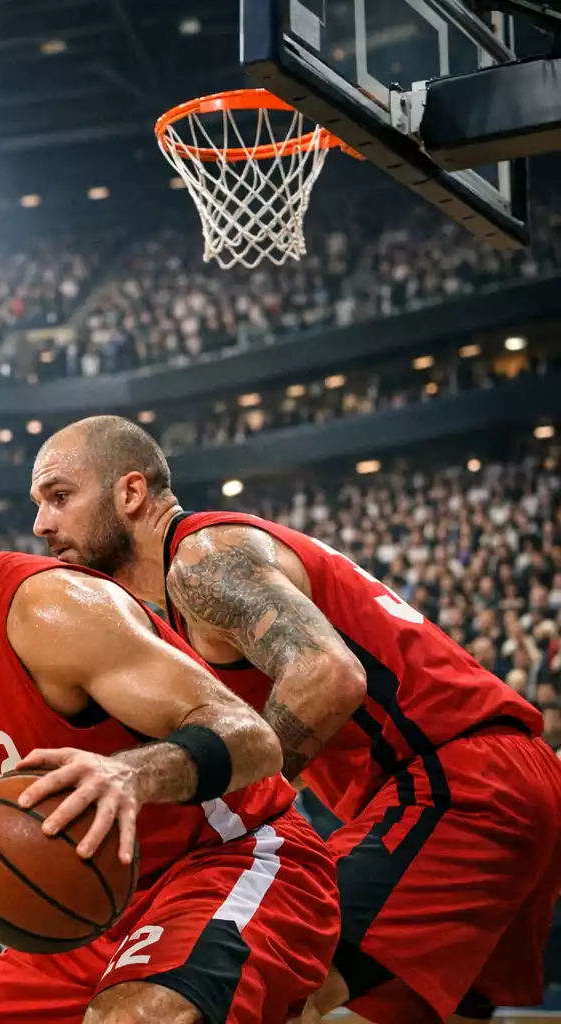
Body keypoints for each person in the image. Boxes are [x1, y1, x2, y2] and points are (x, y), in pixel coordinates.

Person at [33, 415, 561, 1024]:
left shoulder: (202, 557)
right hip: (497, 777)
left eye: (60, 497)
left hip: (454, 784)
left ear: (130, 493)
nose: (44, 524)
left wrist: (222, 799)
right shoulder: (190, 594)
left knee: (247, 989)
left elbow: (328, 677)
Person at [0, 423, 339, 1024]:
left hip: (229, 859)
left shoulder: (50, 610)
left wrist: (128, 776)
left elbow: (252, 737)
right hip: (88, 907)